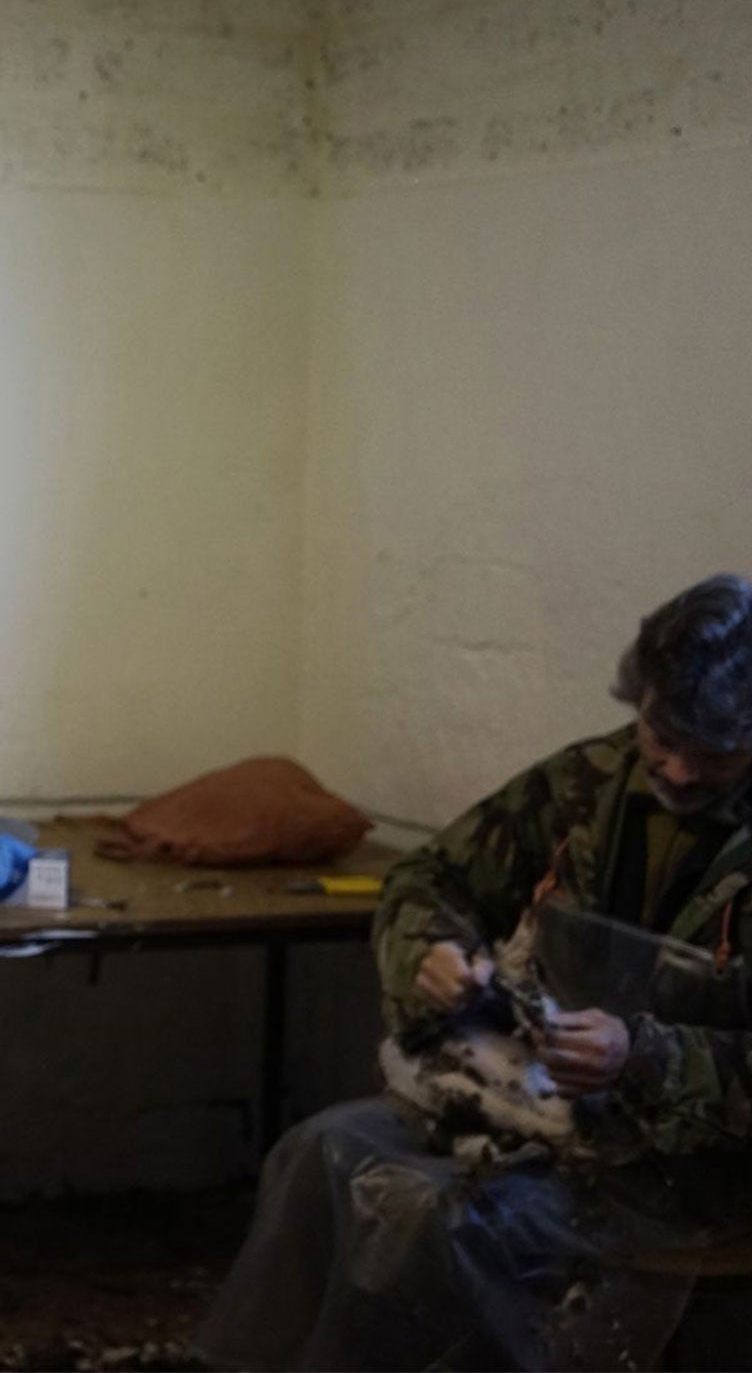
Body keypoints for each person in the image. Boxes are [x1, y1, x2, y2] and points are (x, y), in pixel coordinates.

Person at [199, 573, 752, 1370]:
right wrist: (431, 951)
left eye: (715, 755)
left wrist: (644, 1056)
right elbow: (430, 879)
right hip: (549, 1109)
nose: (676, 771)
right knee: (316, 1152)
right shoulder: (585, 784)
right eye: (660, 734)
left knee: (452, 1221)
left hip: (702, 1164)